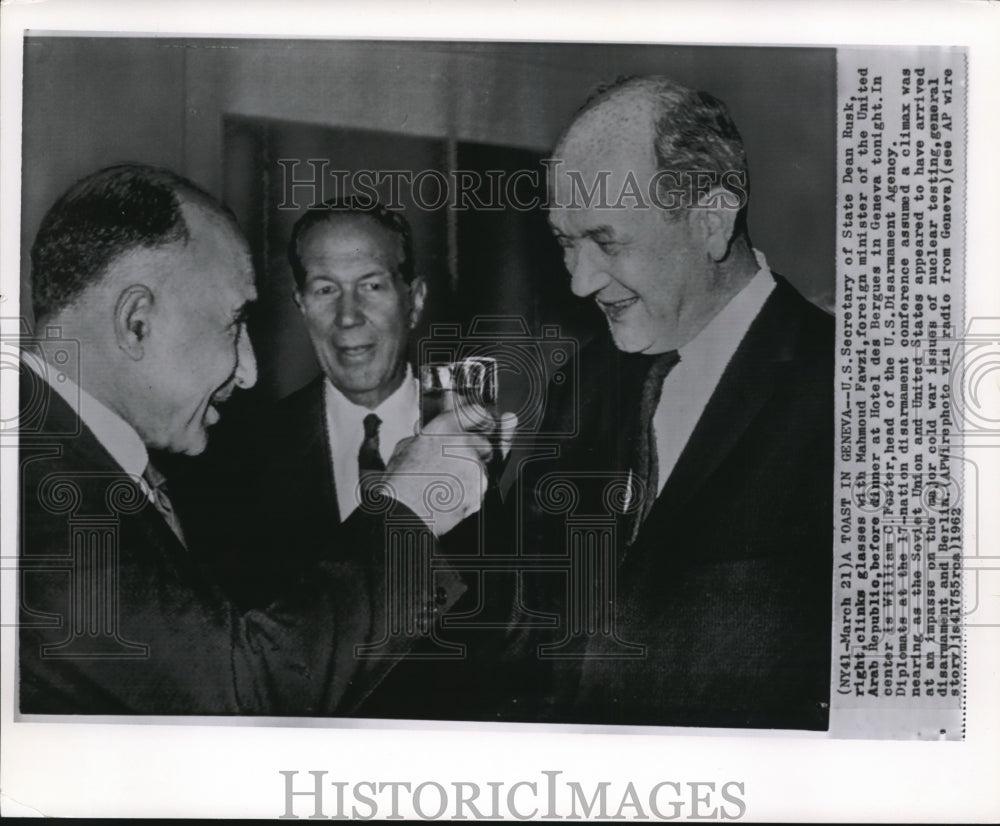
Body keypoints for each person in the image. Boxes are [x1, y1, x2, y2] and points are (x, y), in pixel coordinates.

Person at [18, 164, 512, 715]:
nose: (249, 372)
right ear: (136, 322)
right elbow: (242, 691)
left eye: (371, 285)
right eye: (232, 324)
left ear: (413, 299)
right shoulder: (41, 500)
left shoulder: (61, 464)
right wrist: (410, 511)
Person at [505, 75, 834, 729]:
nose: (579, 283)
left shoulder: (852, 389)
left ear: (711, 220)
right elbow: (524, 628)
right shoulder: (581, 383)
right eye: (566, 244)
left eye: (607, 241)